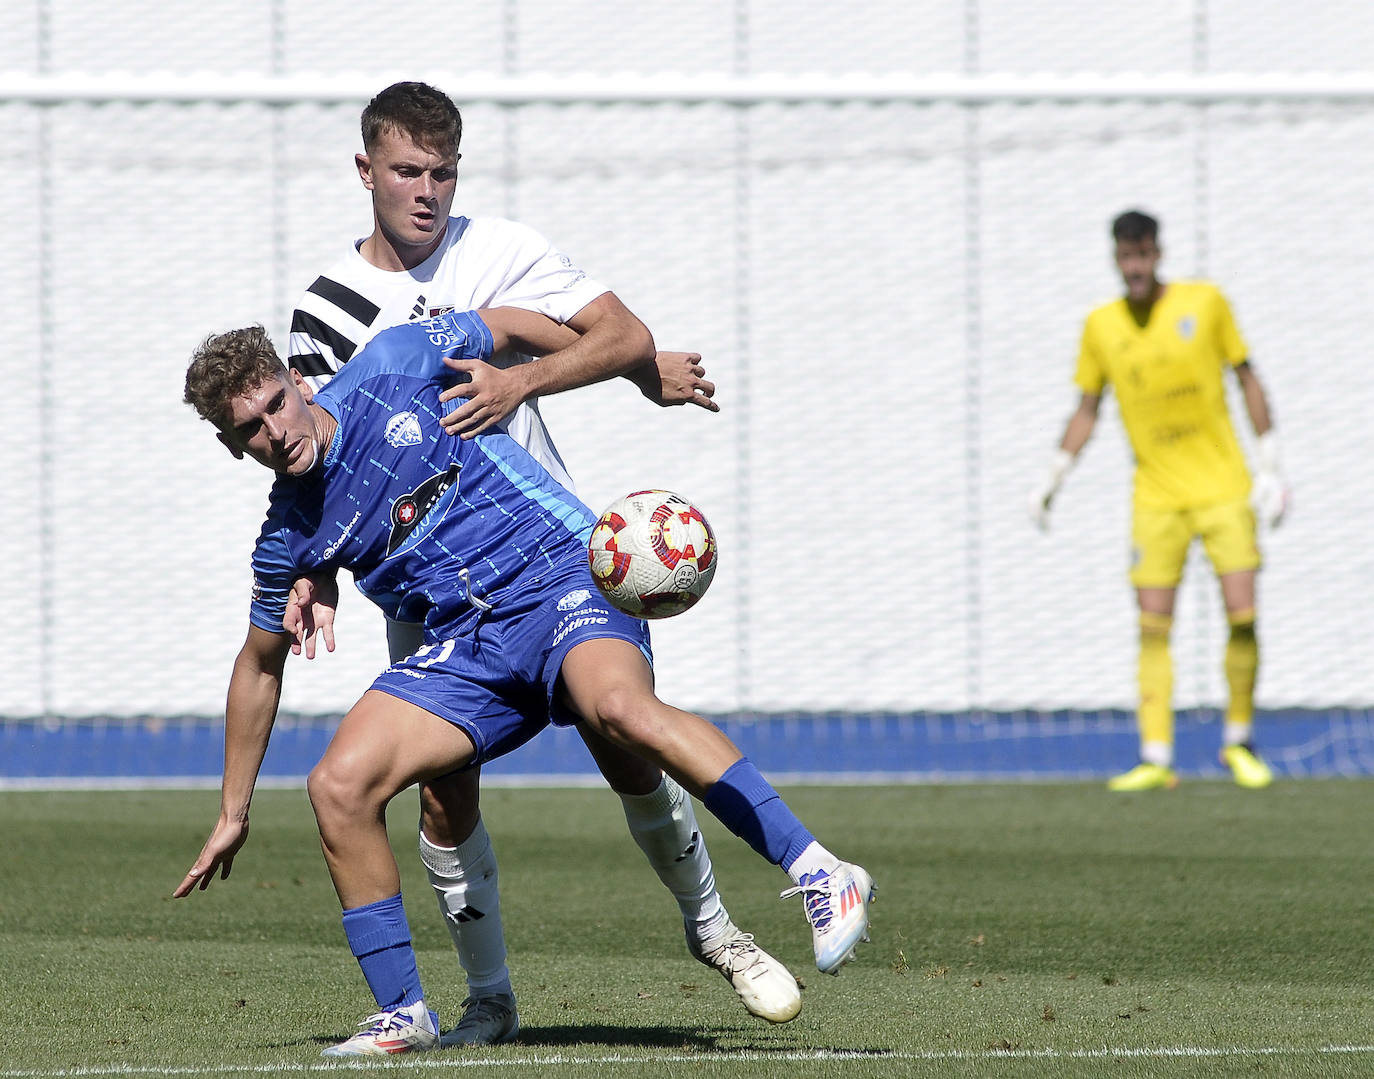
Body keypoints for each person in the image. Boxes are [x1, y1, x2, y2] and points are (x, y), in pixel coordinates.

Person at [174, 309, 876, 1057]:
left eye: (277, 403)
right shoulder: (287, 532)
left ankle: (822, 872)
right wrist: (232, 809)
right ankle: (404, 1012)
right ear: (231, 445)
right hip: (468, 643)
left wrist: (540, 380)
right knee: (337, 785)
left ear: (297, 382)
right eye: (250, 428)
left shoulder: (394, 362)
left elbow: (507, 322)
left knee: (620, 712)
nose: (275, 431)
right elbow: (259, 664)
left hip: (560, 575)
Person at [283, 81, 796, 1043]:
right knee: (443, 785)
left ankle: (717, 929)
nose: (426, 191)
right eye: (405, 171)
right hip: (426, 586)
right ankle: (490, 999)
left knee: (624, 741)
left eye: (442, 172)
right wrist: (313, 571)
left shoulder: (501, 247)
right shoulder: (327, 307)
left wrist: (596, 372)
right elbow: (313, 454)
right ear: (366, 172)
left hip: (544, 553)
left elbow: (610, 332)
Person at [1029, 209, 1289, 792]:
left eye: (1143, 254)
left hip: (1224, 487)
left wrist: (1270, 465)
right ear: (1116, 260)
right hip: (1156, 497)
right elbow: (1087, 406)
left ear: (1158, 253)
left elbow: (1247, 375)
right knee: (1152, 626)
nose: (1135, 266)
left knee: (1243, 615)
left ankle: (1239, 742)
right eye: (1126, 256)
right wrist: (1053, 475)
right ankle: (1155, 755)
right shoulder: (1102, 326)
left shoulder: (1206, 304)